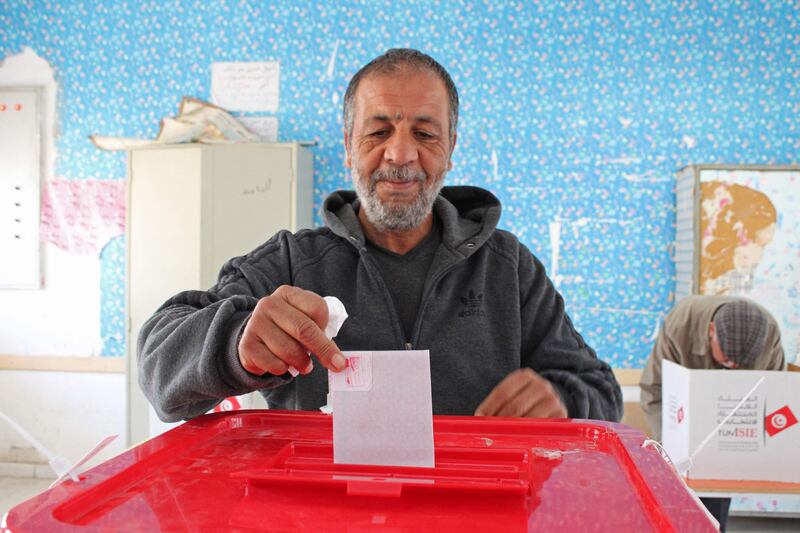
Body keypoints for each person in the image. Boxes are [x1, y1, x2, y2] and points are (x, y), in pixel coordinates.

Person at [138, 48, 622, 425]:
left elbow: (602, 393)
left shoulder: (509, 268)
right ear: (349, 145)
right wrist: (235, 339)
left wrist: (560, 399)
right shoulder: (290, 262)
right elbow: (158, 369)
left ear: (451, 149)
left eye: (426, 134)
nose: (401, 154)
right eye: (379, 131)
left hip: (475, 515)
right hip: (318, 517)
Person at [640, 294, 785, 531]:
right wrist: (669, 448)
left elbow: (773, 395)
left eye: (742, 363)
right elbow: (653, 389)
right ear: (711, 331)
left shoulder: (769, 334)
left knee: (713, 507)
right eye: (727, 359)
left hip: (728, 431)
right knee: (672, 502)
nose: (734, 367)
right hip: (681, 422)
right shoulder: (681, 324)